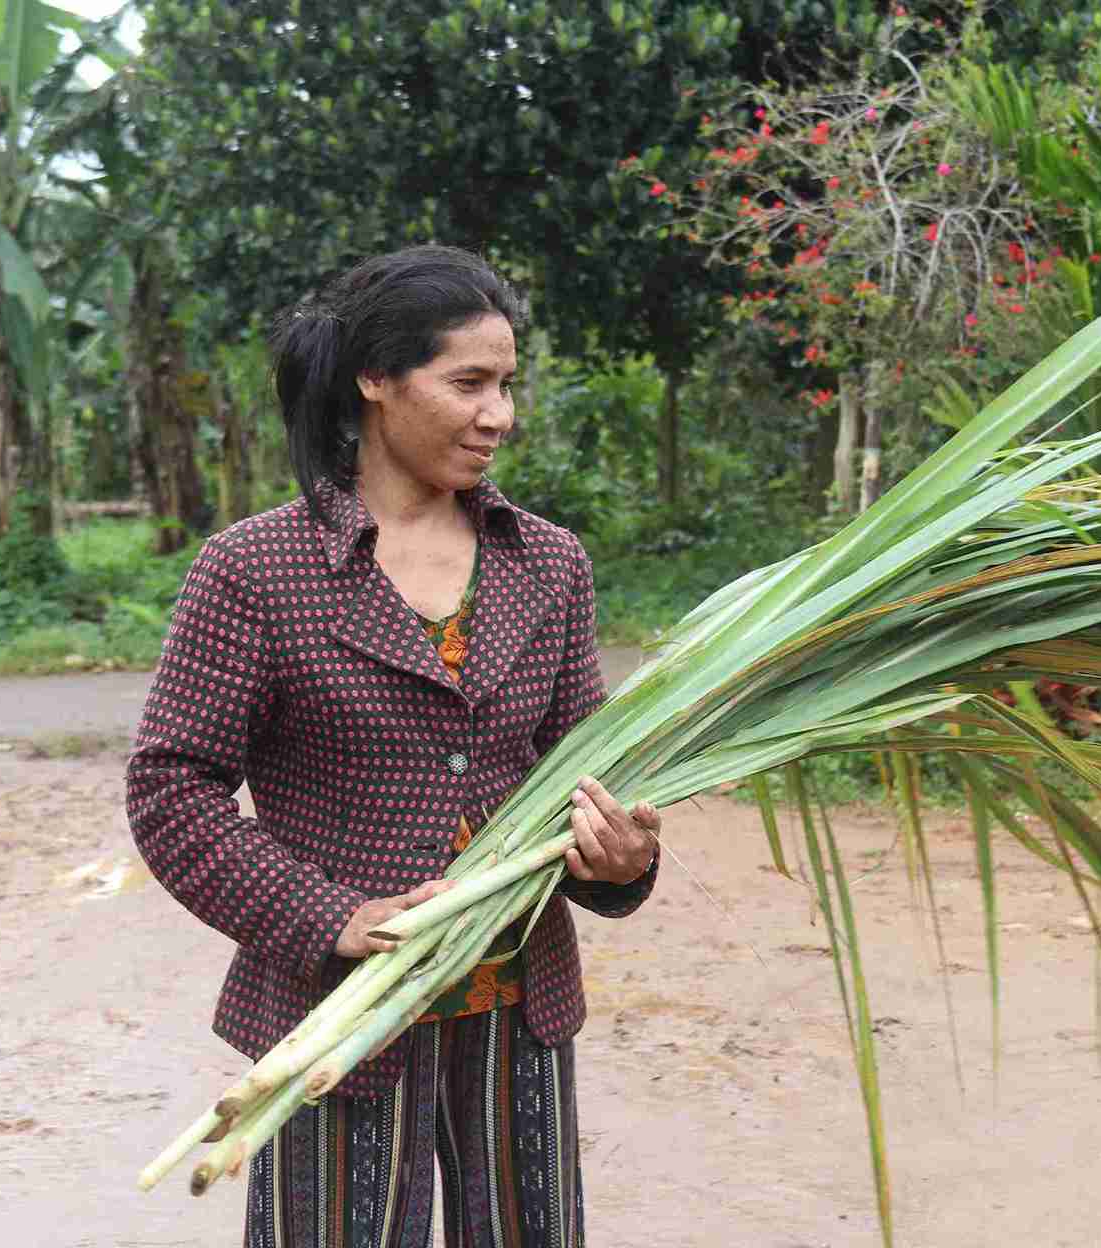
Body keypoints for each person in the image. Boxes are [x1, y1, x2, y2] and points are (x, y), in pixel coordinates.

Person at [125, 244, 661, 1248]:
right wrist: (333, 917)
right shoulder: (255, 570)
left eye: (506, 384)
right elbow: (172, 793)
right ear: (376, 379)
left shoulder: (546, 562)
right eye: (468, 383)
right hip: (337, 1021)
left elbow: (589, 777)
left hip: (516, 1010)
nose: (498, 414)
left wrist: (623, 861)